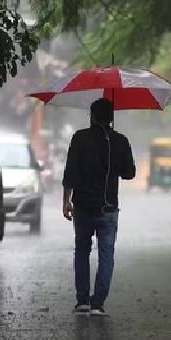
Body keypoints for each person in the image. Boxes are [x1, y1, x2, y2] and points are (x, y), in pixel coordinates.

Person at [62, 98, 136, 316]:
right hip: (108, 209)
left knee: (82, 252)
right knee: (106, 254)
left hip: (83, 207)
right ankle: (98, 304)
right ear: (112, 118)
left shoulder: (79, 138)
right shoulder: (120, 141)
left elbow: (70, 172)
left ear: (92, 116)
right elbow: (129, 173)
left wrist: (66, 200)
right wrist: (115, 157)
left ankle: (82, 300)